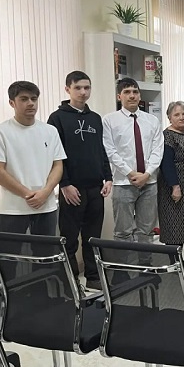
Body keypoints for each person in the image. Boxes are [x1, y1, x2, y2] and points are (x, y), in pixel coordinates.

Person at [47, 71, 112, 290]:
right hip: (72, 188)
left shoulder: (95, 118)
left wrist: (108, 177)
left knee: (93, 237)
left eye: (87, 88)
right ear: (68, 89)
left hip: (95, 187)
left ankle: (93, 276)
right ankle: (71, 280)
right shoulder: (57, 118)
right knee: (70, 238)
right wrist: (64, 184)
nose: (83, 92)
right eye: (78, 88)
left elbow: (100, 150)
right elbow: (55, 156)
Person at [0, 81, 66, 237]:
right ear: (12, 103)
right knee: (9, 252)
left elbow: (58, 166)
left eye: (34, 99)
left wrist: (46, 192)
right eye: (24, 99)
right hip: (11, 209)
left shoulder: (50, 131)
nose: (30, 103)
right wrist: (28, 195)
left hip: (46, 207)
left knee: (46, 252)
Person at [103, 77, 163, 248]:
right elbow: (110, 151)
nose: (132, 96)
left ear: (139, 95)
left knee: (147, 231)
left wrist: (147, 174)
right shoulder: (109, 120)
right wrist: (130, 173)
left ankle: (145, 263)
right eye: (127, 92)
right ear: (119, 96)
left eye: (135, 92)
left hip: (149, 183)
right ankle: (124, 265)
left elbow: (158, 150)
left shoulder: (152, 120)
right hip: (123, 183)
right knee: (123, 232)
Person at [157, 101, 184, 270]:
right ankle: (173, 262)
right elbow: (166, 163)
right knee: (173, 224)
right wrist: (175, 186)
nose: (181, 117)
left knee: (183, 225)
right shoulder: (167, 136)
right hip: (174, 187)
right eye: (176, 114)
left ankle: (179, 260)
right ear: (169, 117)